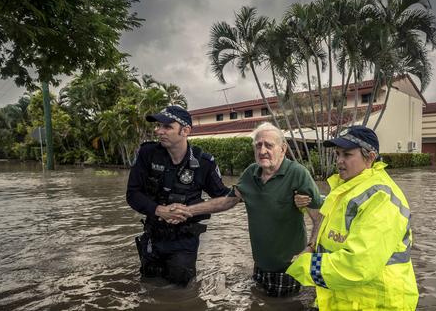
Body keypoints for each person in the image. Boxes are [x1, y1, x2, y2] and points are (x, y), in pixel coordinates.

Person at [175, 122, 323, 297]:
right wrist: (187, 211)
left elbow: (320, 217)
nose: (262, 151)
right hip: (259, 265)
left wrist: (310, 248)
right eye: (258, 145)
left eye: (269, 145)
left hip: (290, 267)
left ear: (283, 149)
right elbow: (227, 202)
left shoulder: (298, 174)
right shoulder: (251, 173)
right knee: (258, 302)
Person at [286, 126, 418, 310]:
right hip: (350, 299)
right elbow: (331, 228)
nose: (339, 161)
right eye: (338, 154)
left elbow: (358, 265)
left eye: (347, 155)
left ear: (370, 157)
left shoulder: (381, 198)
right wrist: (311, 245)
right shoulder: (347, 188)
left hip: (377, 303)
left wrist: (305, 265)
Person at [126, 105, 230, 286]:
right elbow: (133, 194)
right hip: (153, 236)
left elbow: (223, 197)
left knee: (182, 290)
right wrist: (160, 210)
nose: (159, 131)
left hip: (184, 241)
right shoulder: (147, 154)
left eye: (167, 127)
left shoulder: (203, 163)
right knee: (149, 287)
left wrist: (248, 190)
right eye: (158, 126)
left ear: (185, 131)